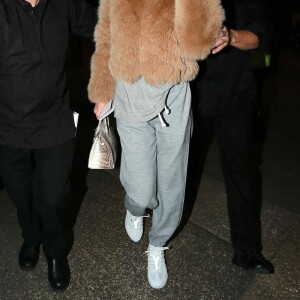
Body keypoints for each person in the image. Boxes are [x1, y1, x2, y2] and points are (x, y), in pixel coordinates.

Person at [88, 0, 224, 289]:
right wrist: (102, 90)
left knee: (173, 181)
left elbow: (199, 44)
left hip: (174, 92)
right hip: (130, 92)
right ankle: (136, 206)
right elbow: (106, 37)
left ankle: (158, 242)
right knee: (141, 187)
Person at [0, 0, 96, 292]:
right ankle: (31, 237)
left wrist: (105, 84)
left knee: (53, 199)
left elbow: (107, 28)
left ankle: (55, 253)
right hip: (8, 129)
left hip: (55, 123)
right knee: (22, 195)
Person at [190, 0, 274, 273]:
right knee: (182, 169)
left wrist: (232, 36)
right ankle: (162, 234)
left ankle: (246, 251)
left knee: (240, 173)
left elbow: (260, 35)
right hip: (193, 94)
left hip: (235, 95)